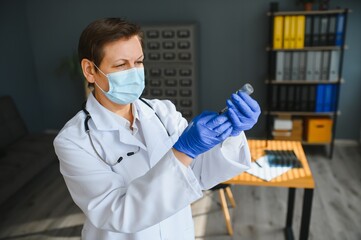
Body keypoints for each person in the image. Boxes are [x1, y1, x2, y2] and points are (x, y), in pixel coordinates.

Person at [54, 18, 261, 240]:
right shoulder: (74, 140)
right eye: (121, 65)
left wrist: (230, 131)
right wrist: (183, 151)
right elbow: (118, 213)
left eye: (139, 62)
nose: (133, 72)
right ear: (90, 70)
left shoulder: (162, 111)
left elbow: (198, 175)